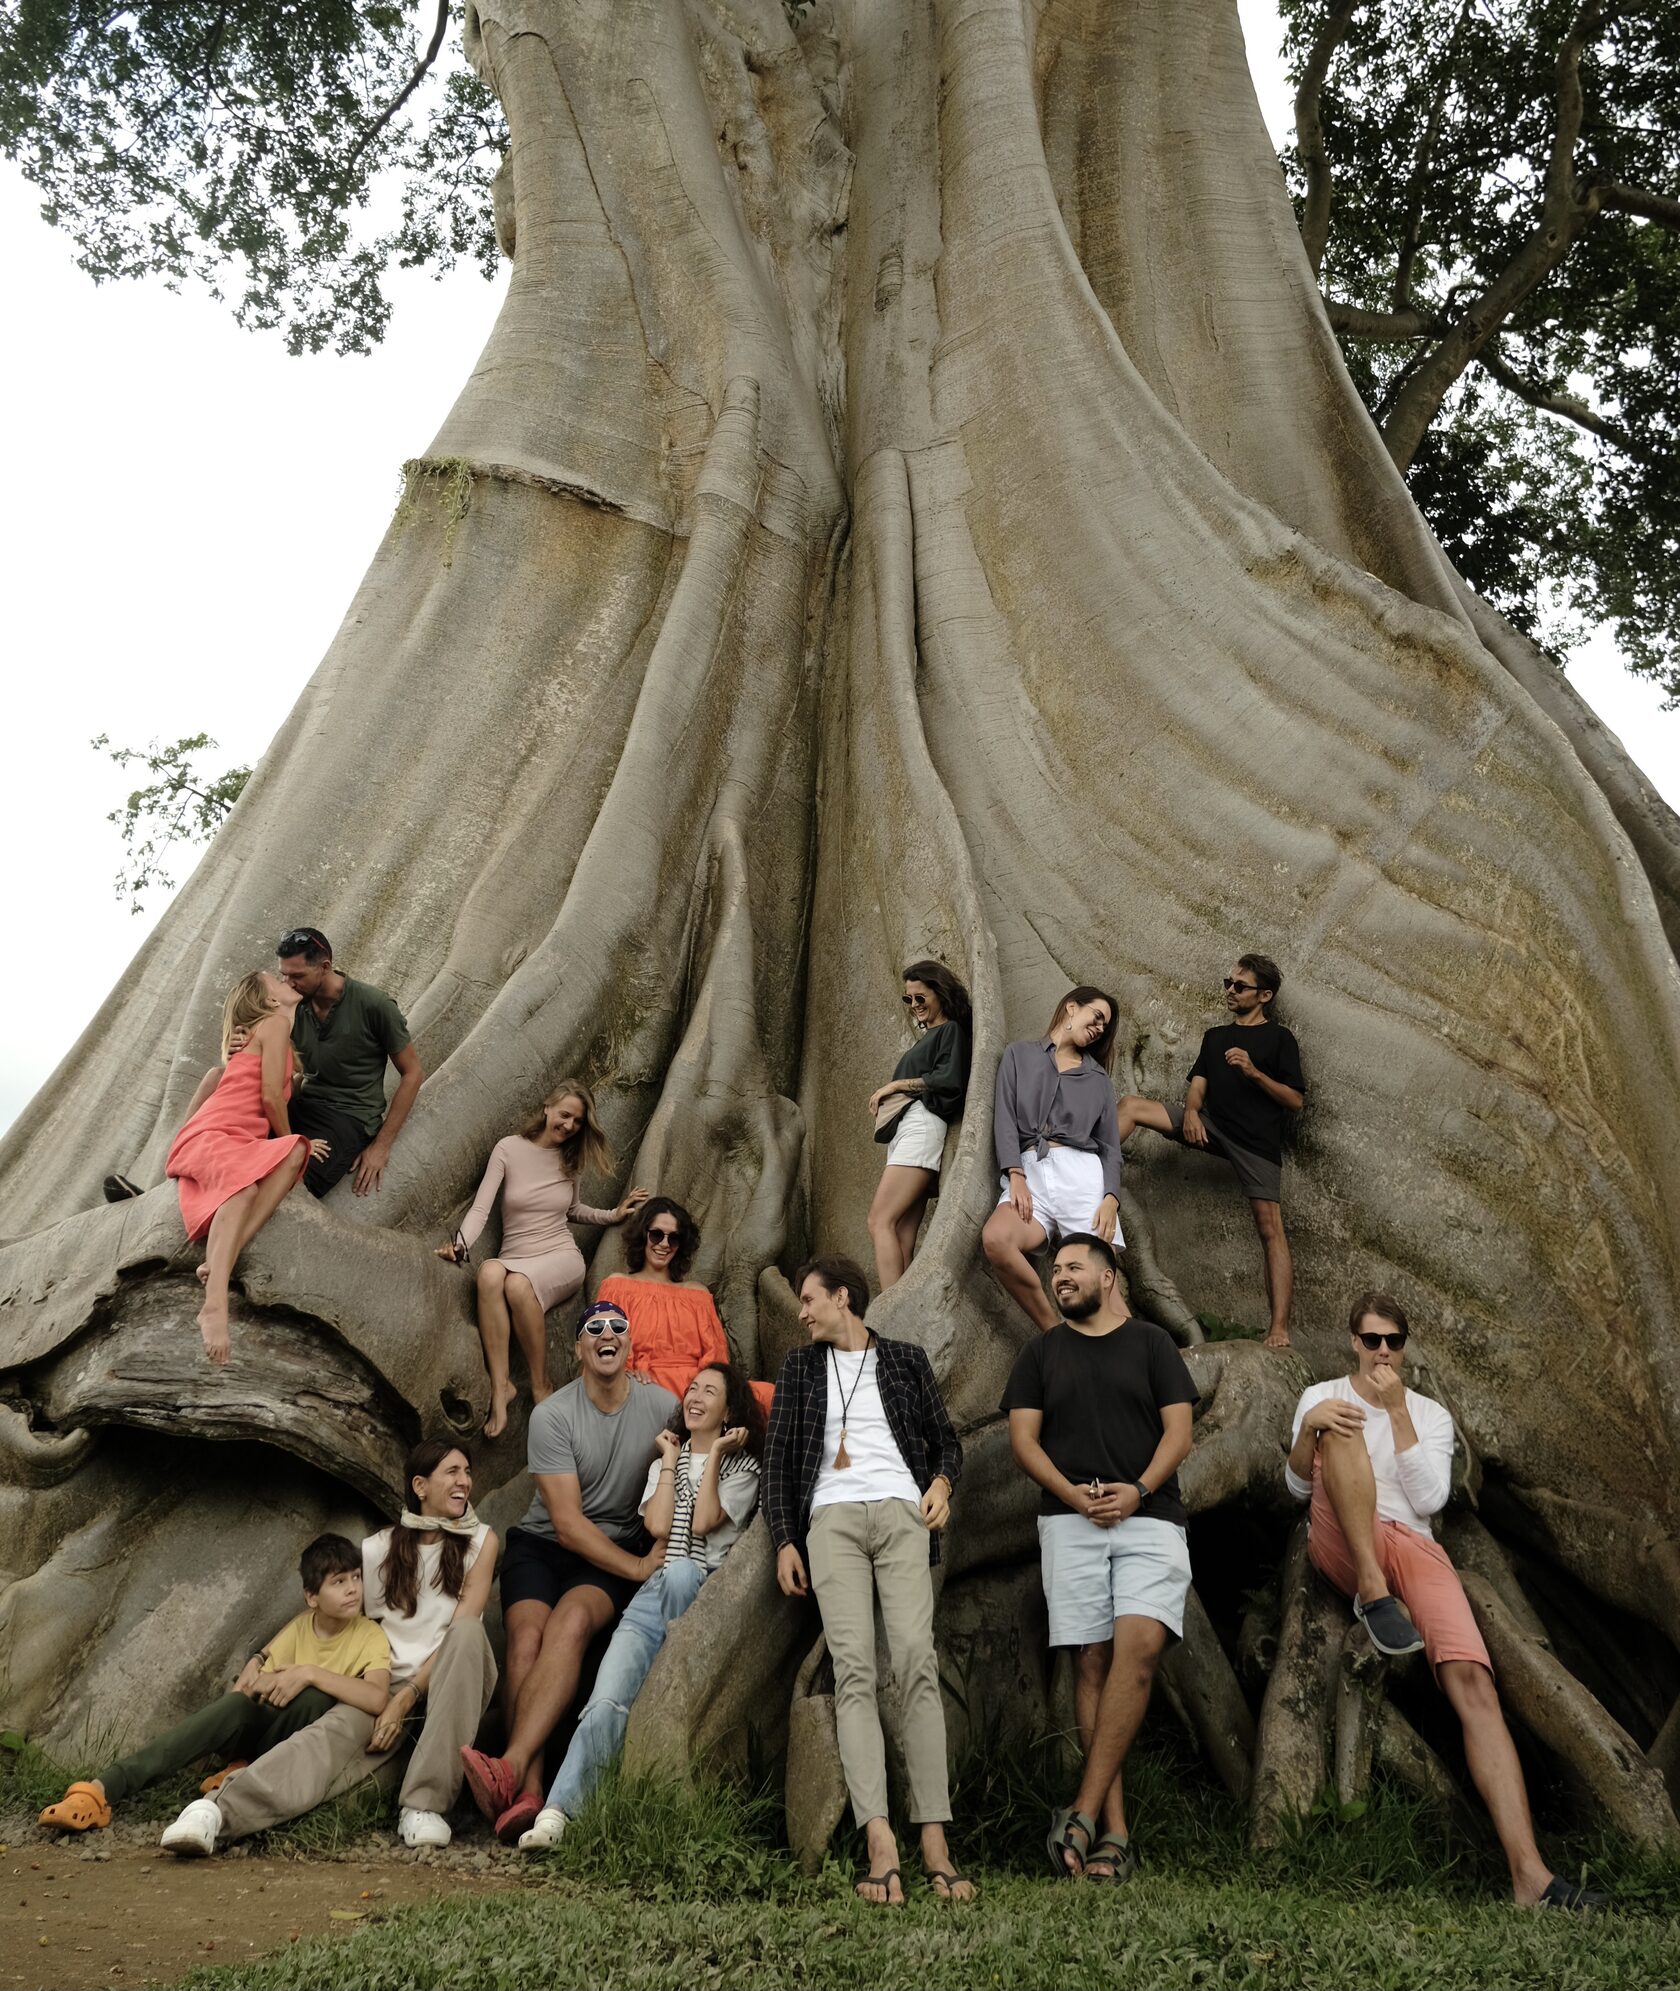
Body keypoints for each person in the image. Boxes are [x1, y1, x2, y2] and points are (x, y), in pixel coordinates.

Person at [1285, 1293, 1606, 1910]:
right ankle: (1374, 1596)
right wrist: (1310, 1428)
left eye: (1395, 1342)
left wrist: (1399, 1413)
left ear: (1405, 1347)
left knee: (1474, 1684)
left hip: (1416, 1545)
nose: (1384, 1352)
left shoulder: (1428, 1414)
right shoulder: (1323, 1395)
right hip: (1343, 1541)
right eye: (1373, 1339)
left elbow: (1431, 1501)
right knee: (1344, 1427)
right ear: (1353, 1340)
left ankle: (1530, 1878)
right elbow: (1296, 1484)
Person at [154, 1447, 499, 1857]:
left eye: (467, 1472)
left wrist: (406, 1699)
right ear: (420, 1486)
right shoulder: (376, 1550)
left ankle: (423, 1805)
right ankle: (215, 1813)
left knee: (468, 1636)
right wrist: (262, 1657)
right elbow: (327, 1609)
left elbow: (462, 1627)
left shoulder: (482, 1541)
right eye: (452, 1472)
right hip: (381, 1687)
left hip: (444, 1684)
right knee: (322, 1740)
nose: (464, 1481)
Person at [767, 1256, 974, 1906]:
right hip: (830, 1523)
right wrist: (782, 1541)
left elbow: (947, 1441)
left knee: (916, 1660)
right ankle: (880, 1839)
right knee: (853, 1669)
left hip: (901, 1513)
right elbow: (778, 1464)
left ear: (843, 1297)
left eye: (809, 1298)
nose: (801, 1311)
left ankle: (935, 1838)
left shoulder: (906, 1359)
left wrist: (940, 1483)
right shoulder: (800, 1369)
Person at [1002, 1234, 1197, 1883]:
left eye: (1073, 1266)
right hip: (1070, 1518)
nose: (1060, 1276)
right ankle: (1114, 1832)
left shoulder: (1152, 1344)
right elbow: (1024, 1442)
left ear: (1109, 1276)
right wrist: (1074, 1497)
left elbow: (1180, 1430)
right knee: (1091, 1658)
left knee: (1136, 1647)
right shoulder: (1040, 1353)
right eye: (1054, 1269)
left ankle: (1080, 1810)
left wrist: (1137, 1489)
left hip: (1149, 1515)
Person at [519, 1360, 765, 1848]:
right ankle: (558, 1813)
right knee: (604, 1699)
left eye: (709, 1391)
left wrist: (713, 1454)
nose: (694, 1396)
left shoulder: (744, 1467)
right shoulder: (660, 1465)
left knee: (679, 1570)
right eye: (691, 1388)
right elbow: (656, 1526)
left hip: (703, 1593)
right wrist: (673, 1461)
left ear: (730, 1408)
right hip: (653, 1598)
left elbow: (703, 1523)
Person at [460, 1299, 676, 1843]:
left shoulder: (661, 1405)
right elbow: (566, 1524)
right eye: (594, 1329)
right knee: (526, 1641)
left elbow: (707, 1431)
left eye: (618, 1328)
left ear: (630, 1346)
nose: (607, 1334)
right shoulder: (552, 1414)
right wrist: (638, 1567)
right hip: (546, 1544)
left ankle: (506, 1770)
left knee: (571, 1625)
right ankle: (528, 1789)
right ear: (578, 1347)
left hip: (611, 1550)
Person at [39, 1534, 388, 1836]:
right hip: (262, 1728)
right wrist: (264, 1677)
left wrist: (309, 1673)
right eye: (339, 1582)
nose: (353, 1589)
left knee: (314, 1698)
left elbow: (376, 1697)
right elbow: (253, 1684)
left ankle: (241, 1770)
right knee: (233, 1706)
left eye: (356, 1577)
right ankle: (102, 1790)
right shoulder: (301, 1626)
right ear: (313, 1597)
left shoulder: (369, 1635)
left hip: (293, 1752)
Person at [439, 1082, 648, 1437]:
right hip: (515, 1254)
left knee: (518, 1285)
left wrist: (613, 1215)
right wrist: (460, 1245)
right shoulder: (509, 1148)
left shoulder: (571, 1161)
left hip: (559, 1256)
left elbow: (573, 1210)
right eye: (564, 1115)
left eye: (577, 1122)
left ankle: (540, 1385)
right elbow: (480, 1208)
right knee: (490, 1273)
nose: (569, 1126)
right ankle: (501, 1386)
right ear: (547, 1108)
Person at [1118, 955, 1304, 1349]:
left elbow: (1294, 1100)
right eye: (1228, 983)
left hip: (1256, 1143)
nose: (1230, 991)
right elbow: (1198, 1085)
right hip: (1209, 1125)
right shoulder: (1216, 1036)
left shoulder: (1280, 1039)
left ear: (1264, 995)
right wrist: (1189, 1112)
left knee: (1271, 1230)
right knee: (1131, 1106)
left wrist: (1254, 1072)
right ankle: (1080, 1163)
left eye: (1240, 986)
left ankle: (1279, 1329)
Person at [164, 970, 325, 1364]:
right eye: (275, 979)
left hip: (237, 1141)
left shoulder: (275, 1037)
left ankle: (224, 1255)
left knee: (295, 1153)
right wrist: (288, 1137)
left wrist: (291, 1143)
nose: (284, 978)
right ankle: (214, 1304)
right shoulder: (272, 1026)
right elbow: (271, 1097)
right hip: (211, 1134)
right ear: (269, 1001)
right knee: (248, 1187)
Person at [982, 985, 1123, 1332]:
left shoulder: (1098, 1079)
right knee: (997, 1238)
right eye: (1098, 1017)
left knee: (1105, 1295)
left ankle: (1140, 1378)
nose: (1100, 1028)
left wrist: (1111, 1199)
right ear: (1072, 1008)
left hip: (1082, 1178)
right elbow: (1004, 1118)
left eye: (1105, 1027)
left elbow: (1110, 1147)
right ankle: (1054, 1333)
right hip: (1030, 1175)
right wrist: (1015, 1174)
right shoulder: (1019, 1055)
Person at [273, 926, 423, 1198]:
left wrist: (382, 1145)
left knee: (290, 1185)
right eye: (283, 975)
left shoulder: (374, 1004)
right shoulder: (293, 1005)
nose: (288, 983)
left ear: (325, 967)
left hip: (347, 1119)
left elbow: (412, 1073)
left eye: (297, 976)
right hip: (302, 1104)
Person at [595, 1198, 775, 1416]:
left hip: (698, 1385)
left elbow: (715, 1355)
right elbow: (604, 1343)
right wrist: (628, 1374)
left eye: (674, 1238)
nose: (664, 1244)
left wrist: (706, 1387)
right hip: (644, 1383)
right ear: (643, 1235)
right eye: (656, 1234)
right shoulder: (618, 1286)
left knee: (769, 1395)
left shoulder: (696, 1293)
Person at [866, 960, 973, 1292]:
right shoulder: (931, 1038)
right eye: (908, 1000)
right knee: (899, 1232)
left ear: (939, 994)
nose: (914, 1006)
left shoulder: (950, 1031)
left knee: (879, 1220)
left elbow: (949, 1079)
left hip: (922, 1126)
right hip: (909, 1129)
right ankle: (903, 1307)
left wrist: (895, 1086)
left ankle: (888, 1309)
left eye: (920, 998)